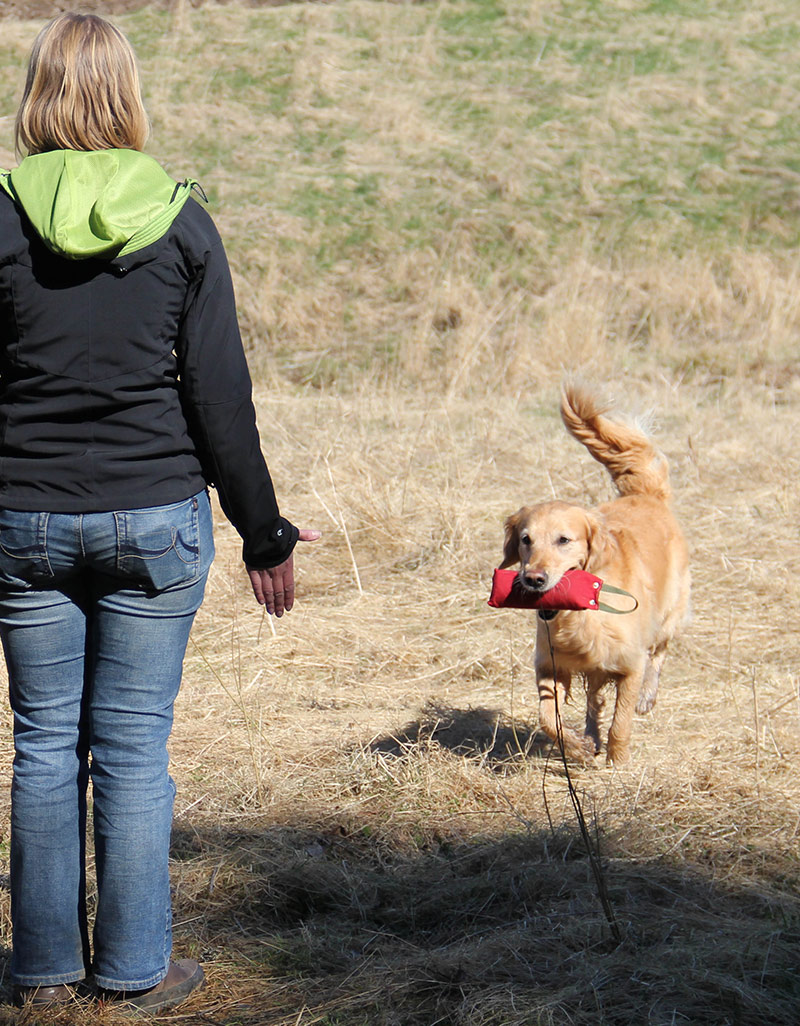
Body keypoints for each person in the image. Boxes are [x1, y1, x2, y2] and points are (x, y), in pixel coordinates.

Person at [0, 12, 318, 1012]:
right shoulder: (181, 221)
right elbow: (219, 397)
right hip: (154, 521)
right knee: (132, 747)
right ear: (127, 93)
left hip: (23, 520)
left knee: (45, 745)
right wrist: (262, 531)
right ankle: (135, 970)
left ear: (35, 94)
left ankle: (42, 967)